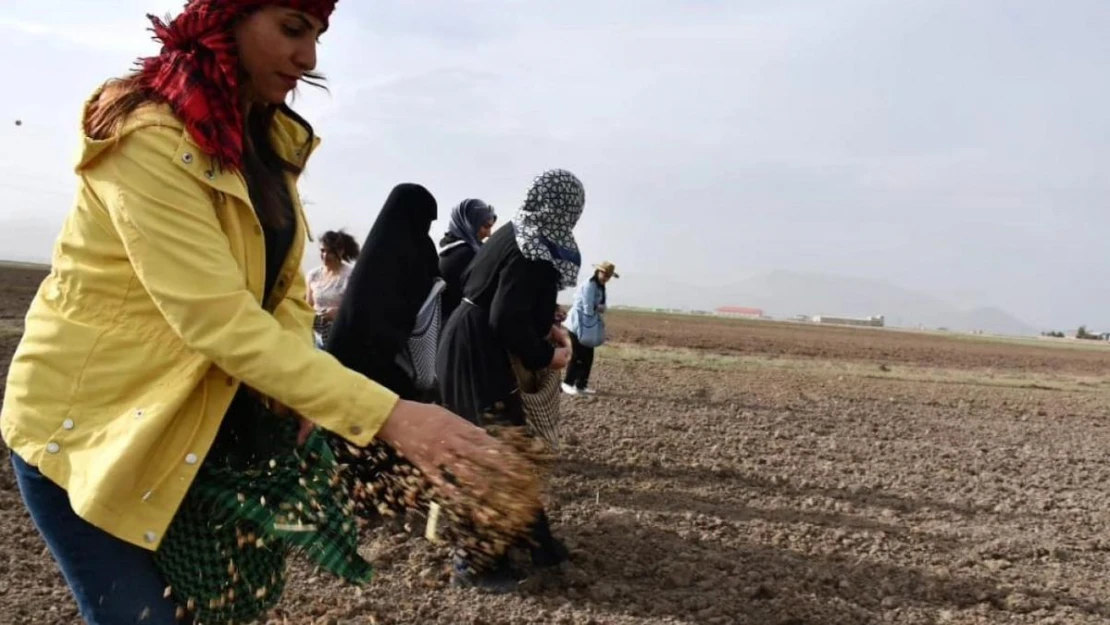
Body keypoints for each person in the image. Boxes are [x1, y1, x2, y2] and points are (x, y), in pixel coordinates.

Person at [0, 3, 526, 623]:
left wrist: (301, 378)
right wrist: (390, 416)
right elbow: (217, 317)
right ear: (228, 17)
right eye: (292, 29)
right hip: (90, 433)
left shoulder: (260, 143)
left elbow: (278, 299)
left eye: (318, 36)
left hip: (183, 430)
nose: (309, 58)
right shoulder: (147, 137)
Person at [437, 168, 584, 590]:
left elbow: (501, 298)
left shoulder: (515, 233)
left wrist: (545, 325)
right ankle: (476, 562)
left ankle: (539, 545)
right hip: (478, 354)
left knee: (505, 449)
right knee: (493, 455)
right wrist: (548, 356)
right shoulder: (534, 250)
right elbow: (505, 317)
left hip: (465, 342)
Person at [563, 261, 618, 395]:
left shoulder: (600, 287)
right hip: (577, 324)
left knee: (588, 356)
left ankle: (581, 385)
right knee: (578, 355)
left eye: (608, 276)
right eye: (604, 274)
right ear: (598, 271)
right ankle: (567, 383)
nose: (606, 277)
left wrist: (599, 308)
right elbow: (588, 308)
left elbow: (601, 307)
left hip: (587, 325)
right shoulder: (589, 285)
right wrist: (599, 308)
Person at [438, 198, 497, 322]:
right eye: (486, 226)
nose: (489, 234)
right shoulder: (466, 255)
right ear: (471, 223)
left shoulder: (448, 250)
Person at [307, 229, 359, 346]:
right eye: (322, 251)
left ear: (340, 252)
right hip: (316, 334)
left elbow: (358, 308)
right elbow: (307, 305)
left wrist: (338, 313)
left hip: (340, 334)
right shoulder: (313, 275)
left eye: (329, 252)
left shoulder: (351, 276)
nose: (325, 255)